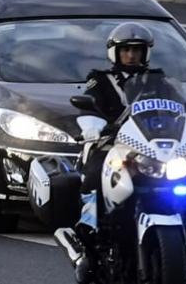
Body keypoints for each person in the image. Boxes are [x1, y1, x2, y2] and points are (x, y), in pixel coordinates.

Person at [60, 23, 157, 282]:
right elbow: (89, 108)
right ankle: (89, 232)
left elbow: (178, 109)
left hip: (150, 147)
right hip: (112, 144)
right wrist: (93, 128)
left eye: (137, 50)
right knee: (93, 174)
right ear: (116, 53)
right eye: (126, 50)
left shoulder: (159, 80)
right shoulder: (101, 80)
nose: (132, 56)